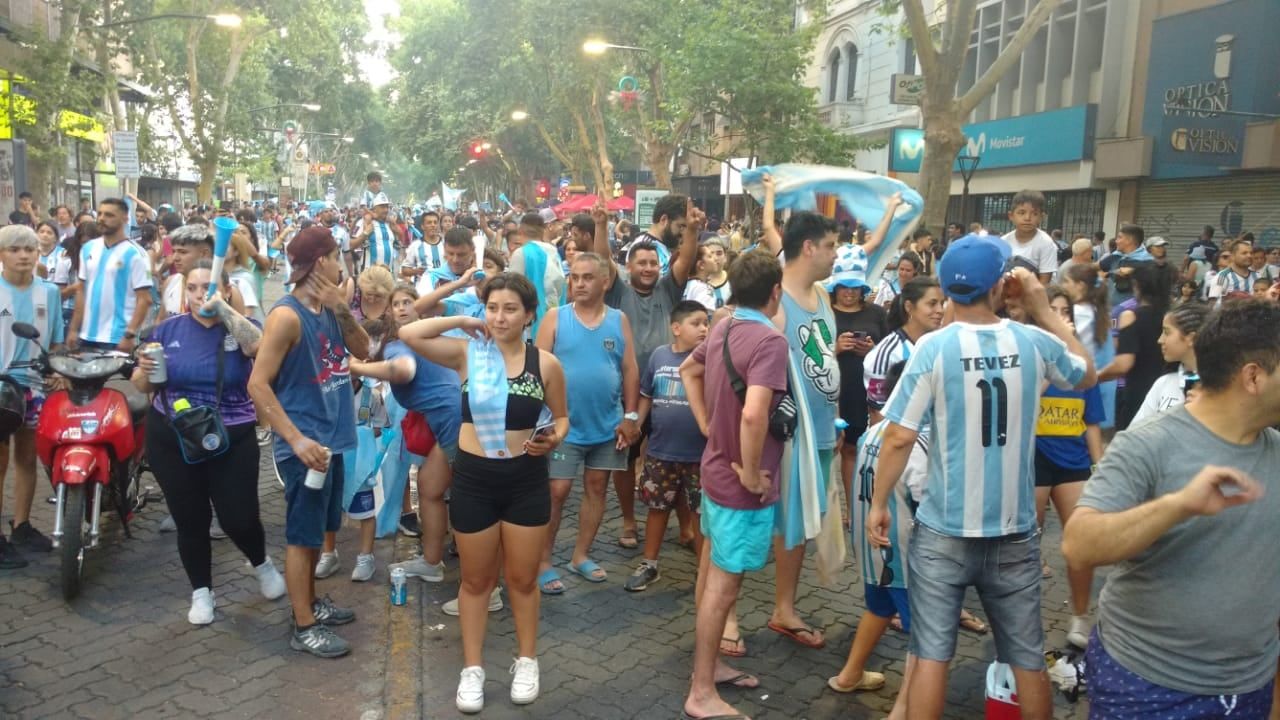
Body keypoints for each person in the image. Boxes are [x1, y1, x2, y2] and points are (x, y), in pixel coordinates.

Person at [868, 235, 1095, 720]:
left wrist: (878, 503)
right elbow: (1086, 374)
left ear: (947, 287)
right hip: (1014, 531)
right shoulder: (1034, 341)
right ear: (1001, 284)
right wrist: (1042, 307)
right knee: (1026, 658)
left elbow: (898, 438)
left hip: (943, 529)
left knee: (931, 654)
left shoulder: (933, 347)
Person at [1062, 298, 1280, 719]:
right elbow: (1078, 545)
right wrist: (1178, 506)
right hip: (1147, 687)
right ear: (1253, 376)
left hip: (1251, 685)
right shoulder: (1148, 444)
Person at [398, 274, 570, 714]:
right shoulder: (466, 354)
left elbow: (563, 419)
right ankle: (472, 669)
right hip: (474, 478)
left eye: (510, 308)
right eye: (492, 307)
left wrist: (553, 438)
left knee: (522, 579)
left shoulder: (545, 364)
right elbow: (408, 331)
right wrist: (462, 319)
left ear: (530, 314)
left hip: (526, 478)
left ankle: (527, 661)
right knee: (475, 582)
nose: (500, 317)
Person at [132, 261, 285, 624]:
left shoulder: (239, 328)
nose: (201, 293)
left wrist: (225, 310)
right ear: (185, 293)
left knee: (239, 517)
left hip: (232, 436)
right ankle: (202, 591)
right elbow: (143, 385)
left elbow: (258, 347)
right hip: (172, 436)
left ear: (228, 289)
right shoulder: (166, 330)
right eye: (194, 287)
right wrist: (144, 371)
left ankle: (261, 562)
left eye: (210, 286)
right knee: (191, 519)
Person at [247, 226, 369, 658]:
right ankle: (303, 625)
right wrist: (296, 440)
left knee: (318, 530)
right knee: (301, 536)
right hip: (305, 447)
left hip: (332, 439)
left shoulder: (328, 309)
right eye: (337, 257)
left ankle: (312, 603)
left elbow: (365, 350)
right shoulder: (286, 316)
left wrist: (341, 310)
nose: (342, 265)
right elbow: (258, 385)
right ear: (321, 262)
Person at [679, 251, 790, 720]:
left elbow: (688, 369)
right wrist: (748, 470)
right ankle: (701, 693)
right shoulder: (769, 340)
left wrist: (707, 426)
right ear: (775, 292)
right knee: (723, 588)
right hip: (740, 484)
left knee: (715, 581)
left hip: (715, 469)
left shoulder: (722, 327)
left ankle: (710, 670)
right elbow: (753, 413)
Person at [592, 199, 699, 551]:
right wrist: (600, 226)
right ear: (629, 266)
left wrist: (693, 229)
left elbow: (685, 259)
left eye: (654, 262)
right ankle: (628, 521)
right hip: (627, 391)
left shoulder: (669, 288)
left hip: (670, 390)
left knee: (676, 456)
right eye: (642, 262)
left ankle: (685, 523)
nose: (649, 268)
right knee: (627, 456)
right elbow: (602, 259)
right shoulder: (618, 289)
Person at [534, 252, 640, 592]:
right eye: (574, 277)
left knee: (597, 487)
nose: (579, 283)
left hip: (607, 425)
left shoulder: (618, 320)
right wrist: (539, 420)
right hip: (563, 427)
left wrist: (631, 416)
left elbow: (629, 370)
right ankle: (544, 561)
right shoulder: (555, 318)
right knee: (557, 491)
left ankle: (580, 555)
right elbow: (535, 369)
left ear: (605, 282)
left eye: (587, 277)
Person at [832, 360, 919, 711]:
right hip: (904, 552)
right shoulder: (914, 440)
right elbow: (926, 497)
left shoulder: (873, 432)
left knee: (878, 607)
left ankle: (849, 675)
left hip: (871, 550)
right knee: (926, 637)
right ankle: (904, 709)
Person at [1023, 286, 1103, 647]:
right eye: (1050, 310)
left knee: (1081, 543)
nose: (1058, 316)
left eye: (1063, 311)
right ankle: (1021, 617)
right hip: (1034, 459)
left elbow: (1092, 421)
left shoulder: (1082, 364)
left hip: (1074, 462)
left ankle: (1080, 617)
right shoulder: (1029, 355)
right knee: (1025, 545)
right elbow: (1022, 404)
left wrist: (1100, 466)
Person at [624, 300, 709, 592]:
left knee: (701, 513)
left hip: (700, 454)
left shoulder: (709, 359)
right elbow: (646, 395)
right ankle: (650, 563)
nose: (703, 328)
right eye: (695, 323)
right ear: (676, 328)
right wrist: (636, 424)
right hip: (662, 451)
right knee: (657, 508)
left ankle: (705, 568)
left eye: (706, 323)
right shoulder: (660, 357)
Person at [0, 226, 63, 566]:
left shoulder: (50, 293)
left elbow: (55, 342)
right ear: (1, 255)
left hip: (34, 388)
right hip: (0, 390)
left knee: (27, 459)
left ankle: (22, 524)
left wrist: (56, 372)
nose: (23, 255)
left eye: (29, 248)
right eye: (14, 249)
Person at [827, 246, 887, 510]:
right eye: (843, 287)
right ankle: (845, 509)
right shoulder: (824, 312)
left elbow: (890, 352)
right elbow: (811, 352)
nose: (849, 292)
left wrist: (872, 351)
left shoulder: (876, 314)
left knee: (862, 449)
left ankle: (863, 508)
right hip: (835, 390)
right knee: (834, 451)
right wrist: (835, 348)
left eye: (854, 287)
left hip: (868, 392)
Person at [67, 198, 154, 353]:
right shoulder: (88, 248)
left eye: (109, 215)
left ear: (125, 218)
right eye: (99, 213)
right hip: (87, 337)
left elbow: (145, 299)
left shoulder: (136, 254)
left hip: (117, 339)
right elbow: (81, 291)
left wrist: (129, 335)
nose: (101, 218)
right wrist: (74, 329)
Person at [1100, 263, 1171, 431]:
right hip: (1167, 393)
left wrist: (1095, 377)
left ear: (1137, 286)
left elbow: (1124, 363)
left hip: (1137, 393)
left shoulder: (1130, 315)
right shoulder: (1172, 316)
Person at [864, 277, 944, 424]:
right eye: (932, 304)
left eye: (942, 303)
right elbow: (877, 414)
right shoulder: (887, 353)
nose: (940, 310)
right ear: (909, 307)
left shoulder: (941, 345)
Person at [1131, 301, 1209, 425]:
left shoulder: (1222, 388)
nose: (1160, 340)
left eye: (1167, 332)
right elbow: (1135, 433)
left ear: (1191, 338)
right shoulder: (1163, 383)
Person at [1001, 190, 1058, 283]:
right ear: (1011, 216)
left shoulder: (1046, 243)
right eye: (1021, 213)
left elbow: (1044, 283)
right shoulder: (1003, 242)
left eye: (1034, 214)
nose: (1027, 218)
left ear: (1041, 217)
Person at [353, 193, 399, 274]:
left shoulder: (389, 224)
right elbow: (351, 245)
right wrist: (365, 233)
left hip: (388, 275)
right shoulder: (363, 222)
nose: (386, 210)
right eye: (382, 207)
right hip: (369, 275)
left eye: (387, 207)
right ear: (374, 209)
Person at [683, 239, 731, 311]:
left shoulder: (734, 280)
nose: (715, 258)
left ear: (725, 257)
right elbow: (707, 317)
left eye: (719, 253)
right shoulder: (702, 288)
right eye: (710, 255)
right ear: (701, 264)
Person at [1207, 237, 1258, 304]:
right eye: (1244, 253)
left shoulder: (1257, 276)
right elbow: (1212, 304)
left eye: (1251, 253)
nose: (1249, 256)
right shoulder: (1222, 277)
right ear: (1232, 256)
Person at [402, 211, 446, 282]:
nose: (433, 225)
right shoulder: (415, 245)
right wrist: (416, 271)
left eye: (435, 222)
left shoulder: (446, 243)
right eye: (429, 223)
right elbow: (404, 270)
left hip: (445, 287)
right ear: (422, 226)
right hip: (423, 289)